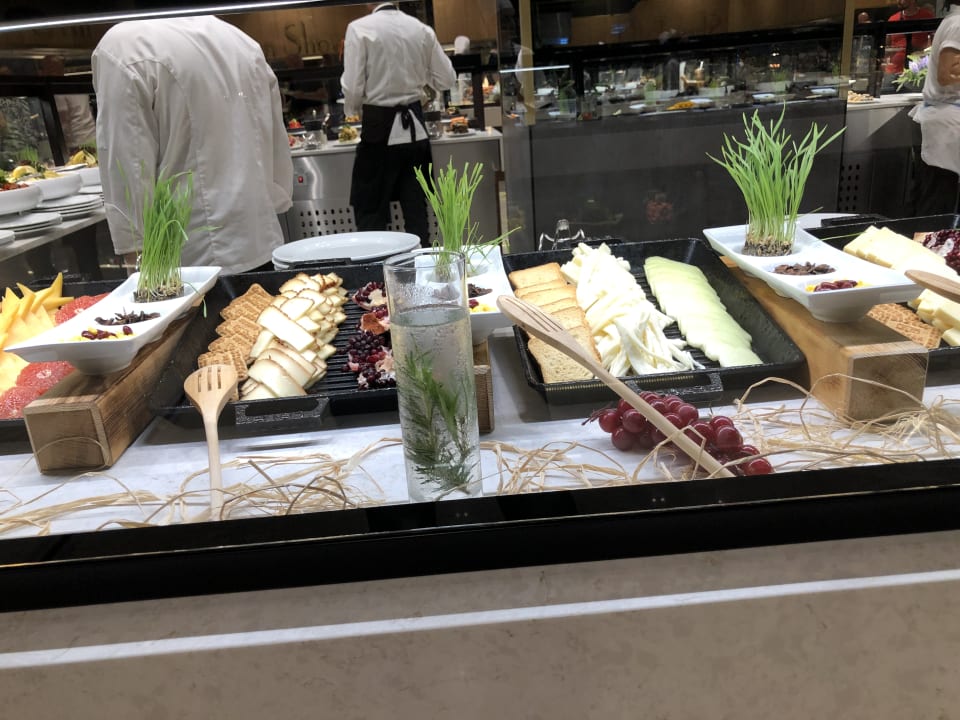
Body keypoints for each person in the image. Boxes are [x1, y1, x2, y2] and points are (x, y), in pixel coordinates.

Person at [91, 16, 293, 274]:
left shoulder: (124, 45)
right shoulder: (241, 41)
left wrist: (135, 258)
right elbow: (275, 145)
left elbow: (127, 167)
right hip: (261, 242)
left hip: (188, 263)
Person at [340, 2, 456, 246]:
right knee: (416, 210)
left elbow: (352, 87)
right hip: (415, 128)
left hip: (378, 127)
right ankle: (421, 265)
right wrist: (421, 78)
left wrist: (352, 111)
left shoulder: (359, 29)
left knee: (370, 211)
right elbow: (447, 79)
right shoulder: (421, 29)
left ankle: (374, 268)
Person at [909, 6, 960, 215]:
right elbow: (947, 74)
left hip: (948, 126)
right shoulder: (958, 24)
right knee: (937, 208)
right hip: (944, 129)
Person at [886, 0, 936, 76]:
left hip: (918, 70)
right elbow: (887, 46)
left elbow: (935, 43)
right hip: (895, 71)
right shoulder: (892, 19)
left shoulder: (926, 16)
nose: (899, 1)